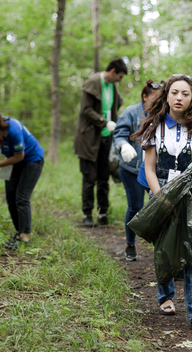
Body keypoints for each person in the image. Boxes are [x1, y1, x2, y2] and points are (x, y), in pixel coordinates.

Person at [130, 74, 192, 332]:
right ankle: (165, 296)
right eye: (175, 92)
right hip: (162, 189)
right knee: (164, 244)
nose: (179, 98)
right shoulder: (154, 126)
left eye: (185, 94)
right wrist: (161, 199)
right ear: (166, 95)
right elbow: (150, 168)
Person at [0, 108, 44, 251]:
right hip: (12, 161)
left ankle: (25, 238)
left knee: (22, 197)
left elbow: (19, 157)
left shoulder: (14, 130)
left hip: (31, 160)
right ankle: (19, 231)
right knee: (10, 197)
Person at [113, 79, 164, 261]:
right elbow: (118, 135)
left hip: (155, 170)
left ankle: (161, 246)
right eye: (155, 98)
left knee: (159, 206)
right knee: (135, 207)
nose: (159, 101)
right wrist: (123, 146)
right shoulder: (130, 113)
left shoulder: (164, 114)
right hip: (131, 169)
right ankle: (130, 244)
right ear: (144, 97)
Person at [74, 58, 127, 227]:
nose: (120, 80)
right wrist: (104, 122)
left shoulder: (113, 86)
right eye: (119, 77)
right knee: (89, 177)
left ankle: (103, 212)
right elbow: (85, 110)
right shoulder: (92, 83)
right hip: (89, 139)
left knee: (104, 177)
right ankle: (87, 214)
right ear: (112, 72)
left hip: (107, 139)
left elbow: (116, 107)